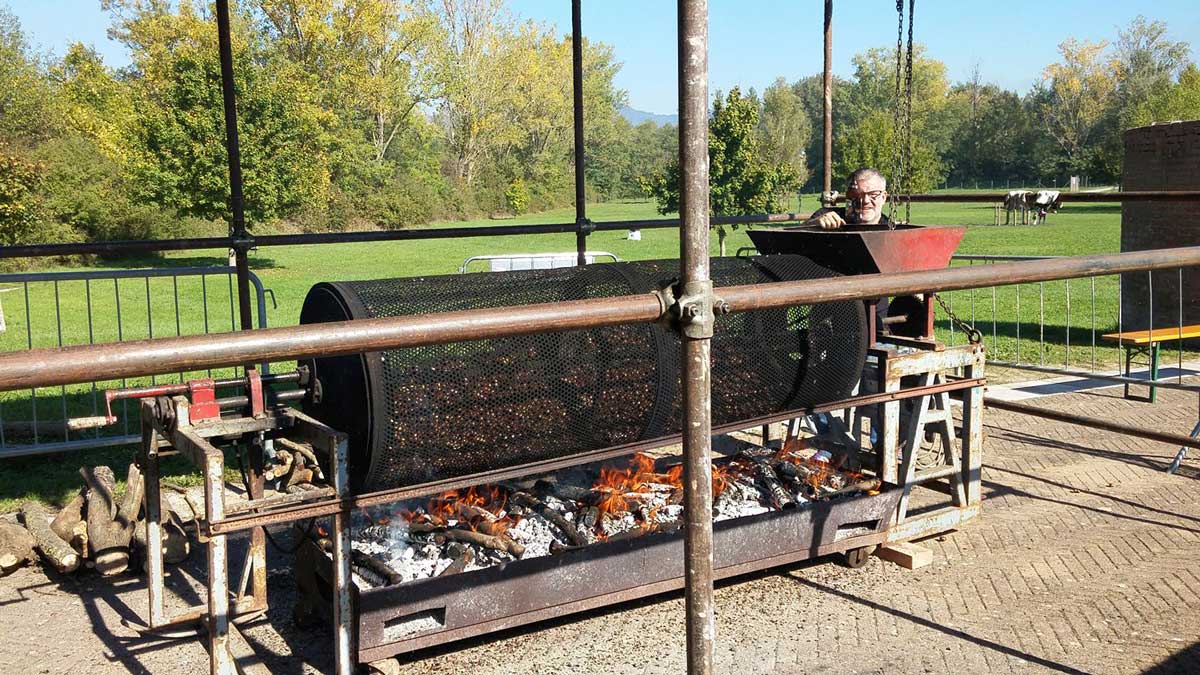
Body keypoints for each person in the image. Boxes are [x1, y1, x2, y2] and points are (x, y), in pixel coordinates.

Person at [806, 167, 890, 229]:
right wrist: (813, 224)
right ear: (848, 196)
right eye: (857, 194)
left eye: (873, 194)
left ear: (883, 197)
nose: (865, 201)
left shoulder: (891, 230)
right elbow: (795, 237)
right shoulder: (827, 216)